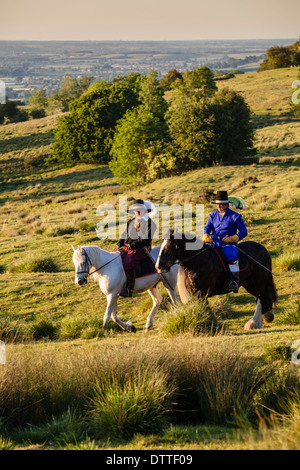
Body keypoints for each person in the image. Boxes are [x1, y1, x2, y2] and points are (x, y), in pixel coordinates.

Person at [203, 190, 248, 292]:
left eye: (222, 204)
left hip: (227, 244)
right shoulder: (212, 216)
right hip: (213, 242)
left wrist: (232, 238)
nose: (219, 207)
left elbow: (243, 232)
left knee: (231, 256)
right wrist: (206, 236)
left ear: (227, 204)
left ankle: (234, 281)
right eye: (218, 205)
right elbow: (207, 228)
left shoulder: (235, 216)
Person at [117, 199, 156, 297]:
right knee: (116, 257)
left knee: (130, 261)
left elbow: (145, 240)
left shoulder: (150, 223)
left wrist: (132, 246)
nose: (137, 211)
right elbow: (124, 234)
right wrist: (120, 243)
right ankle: (115, 285)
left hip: (142, 248)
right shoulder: (131, 221)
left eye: (139, 209)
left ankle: (129, 289)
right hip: (127, 247)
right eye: (136, 209)